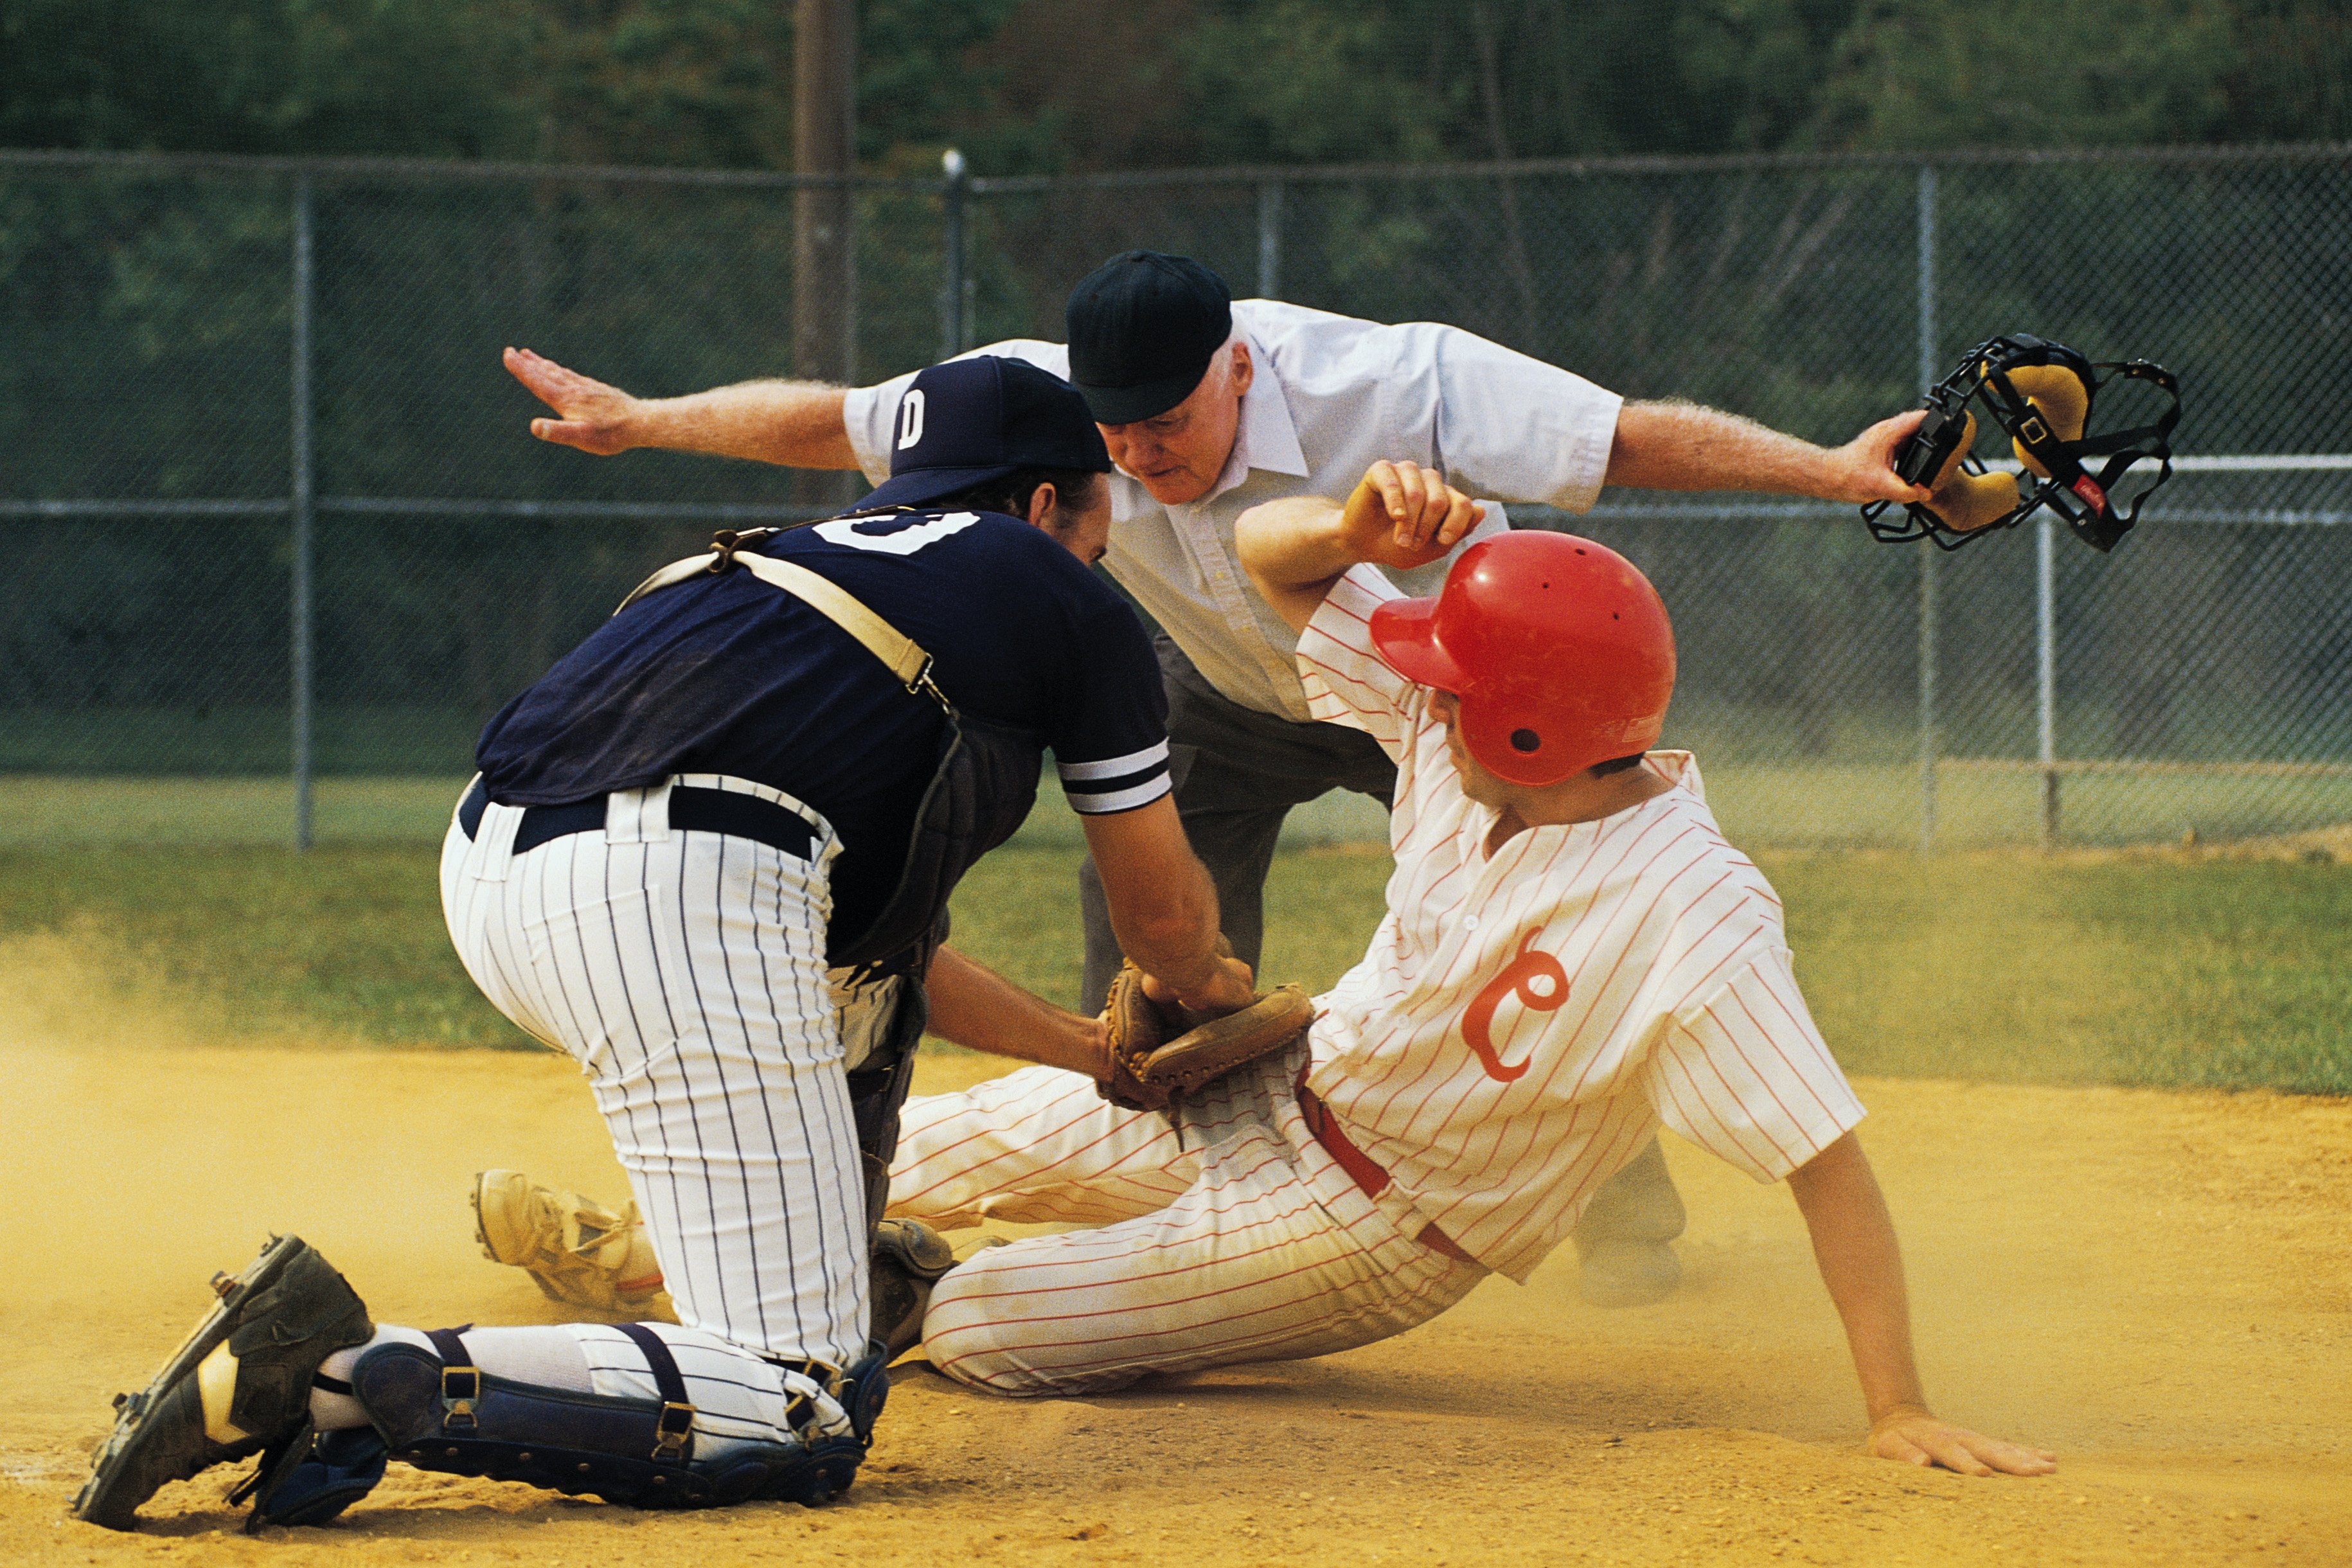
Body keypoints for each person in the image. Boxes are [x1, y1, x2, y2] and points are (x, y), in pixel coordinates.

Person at [501, 251, 1935, 1304]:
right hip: (1225, 697)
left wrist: (1835, 469)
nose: (1136, 455)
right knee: (1149, 946)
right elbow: (838, 424)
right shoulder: (1054, 406)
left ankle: (1622, 1214)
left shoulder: (1394, 379)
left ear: (1240, 364)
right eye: (1113, 436)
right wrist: (646, 420)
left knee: (1534, 937)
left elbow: (1622, 441)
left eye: (1167, 426)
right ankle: (1147, 1177)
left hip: (1423, 688)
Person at [71, 355, 1257, 1533]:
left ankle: (824, 1258)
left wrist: (1089, 1053)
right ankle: (344, 1371)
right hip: (682, 899)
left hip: (502, 876)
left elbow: (874, 952)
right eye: (1100, 528)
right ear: (1044, 503)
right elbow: (1160, 925)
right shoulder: (1054, 588)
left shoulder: (779, 562)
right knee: (806, 1405)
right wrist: (1203, 984)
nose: (1103, 555)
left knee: (860, 991)